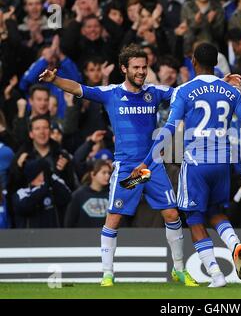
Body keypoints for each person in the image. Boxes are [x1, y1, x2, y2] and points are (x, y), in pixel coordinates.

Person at [38, 44, 198, 287]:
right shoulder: (111, 93)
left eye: (144, 67)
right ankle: (107, 274)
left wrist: (212, 84)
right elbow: (80, 89)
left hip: (149, 168)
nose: (141, 72)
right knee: (114, 218)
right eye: (136, 67)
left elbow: (183, 91)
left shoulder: (154, 92)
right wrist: (55, 80)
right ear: (124, 68)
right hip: (128, 169)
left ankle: (178, 269)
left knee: (172, 214)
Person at [132, 43, 241, 288]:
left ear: (193, 61)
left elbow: (168, 130)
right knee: (214, 211)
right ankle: (235, 244)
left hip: (195, 163)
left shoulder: (183, 90)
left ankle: (216, 275)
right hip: (224, 162)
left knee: (193, 217)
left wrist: (146, 162)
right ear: (216, 63)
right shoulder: (231, 91)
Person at [64, 159, 111, 228]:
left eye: (109, 173)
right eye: (104, 173)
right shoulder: (78, 195)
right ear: (93, 174)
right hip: (83, 237)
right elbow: (69, 221)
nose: (107, 176)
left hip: (105, 237)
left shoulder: (111, 195)